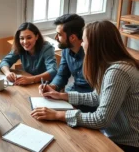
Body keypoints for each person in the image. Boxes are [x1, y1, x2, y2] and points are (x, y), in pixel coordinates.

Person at [31, 20, 139, 152]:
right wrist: (60, 95)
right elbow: (96, 97)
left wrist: (58, 115)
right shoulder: (106, 65)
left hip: (126, 143)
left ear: (95, 44)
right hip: (110, 135)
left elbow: (101, 119)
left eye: (84, 40)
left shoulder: (118, 72)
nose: (82, 44)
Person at [47, 14, 93, 93]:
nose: (56, 38)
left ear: (72, 38)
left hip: (90, 98)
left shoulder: (92, 54)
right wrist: (52, 86)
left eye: (59, 34)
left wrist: (64, 96)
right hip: (74, 90)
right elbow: (62, 75)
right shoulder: (66, 50)